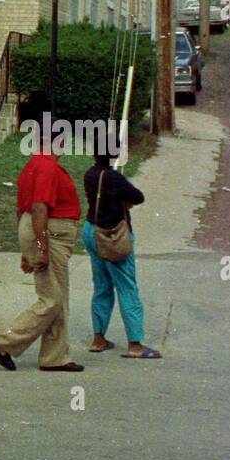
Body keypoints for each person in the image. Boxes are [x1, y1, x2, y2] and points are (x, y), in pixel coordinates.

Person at [0, 146, 83, 372]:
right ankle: (4, 341)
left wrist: (28, 249)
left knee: (57, 295)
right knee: (52, 299)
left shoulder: (34, 164)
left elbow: (23, 211)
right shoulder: (47, 165)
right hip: (51, 234)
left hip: (41, 233)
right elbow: (39, 208)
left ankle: (55, 357)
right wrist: (42, 248)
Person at [83, 154, 161, 359]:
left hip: (92, 230)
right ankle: (135, 343)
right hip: (112, 236)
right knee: (127, 287)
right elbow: (138, 197)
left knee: (101, 286)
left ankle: (98, 338)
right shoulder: (115, 178)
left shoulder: (90, 174)